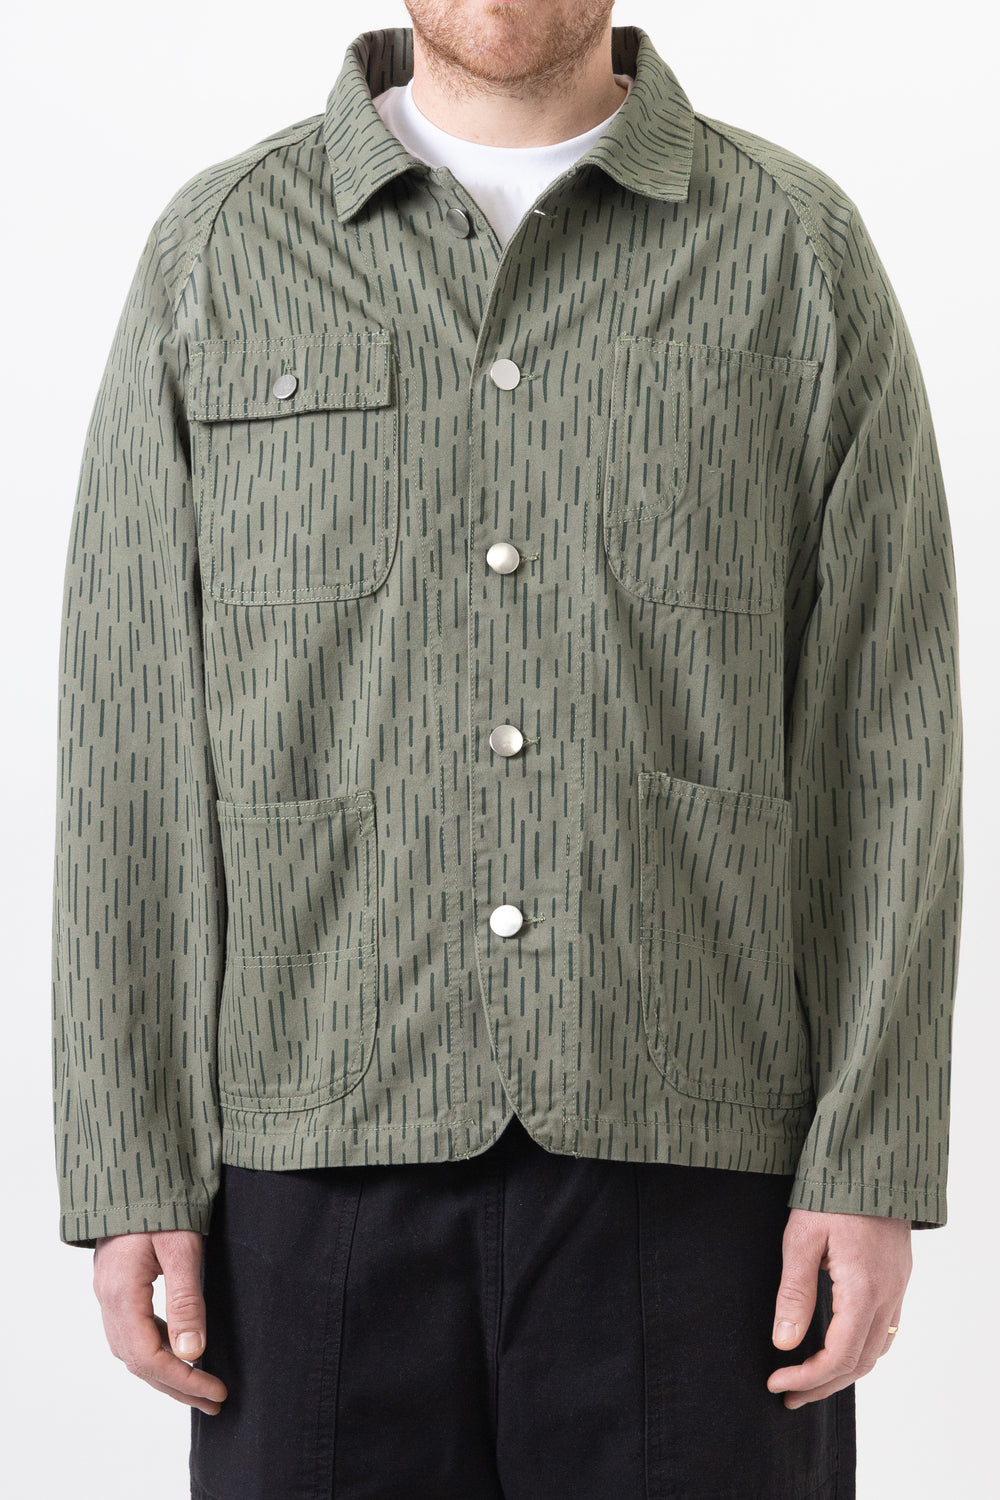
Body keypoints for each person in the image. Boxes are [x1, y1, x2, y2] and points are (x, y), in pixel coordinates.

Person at [51, 3, 964, 1496]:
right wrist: (129, 1156)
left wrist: (873, 1155)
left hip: (700, 1152)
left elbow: (890, 730)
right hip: (309, 1147)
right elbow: (129, 732)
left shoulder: (793, 252)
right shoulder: (222, 253)